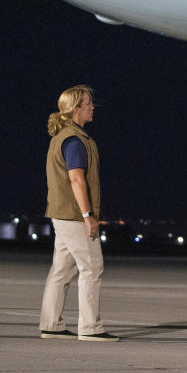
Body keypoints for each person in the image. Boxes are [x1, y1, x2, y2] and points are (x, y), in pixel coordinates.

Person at [39, 85, 119, 342]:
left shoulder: (61, 137)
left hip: (60, 214)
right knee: (92, 268)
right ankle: (91, 327)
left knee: (61, 270)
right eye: (88, 103)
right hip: (74, 215)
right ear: (76, 109)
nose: (92, 107)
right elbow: (76, 179)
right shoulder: (74, 140)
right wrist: (88, 215)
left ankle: (51, 324)